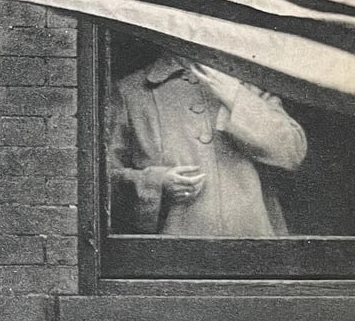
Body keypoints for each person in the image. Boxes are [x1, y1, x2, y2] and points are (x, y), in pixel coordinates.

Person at [107, 52, 307, 237]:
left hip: (253, 248)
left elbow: (293, 151)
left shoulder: (248, 84)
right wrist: (156, 182)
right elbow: (102, 181)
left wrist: (237, 98)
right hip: (173, 255)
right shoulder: (131, 91)